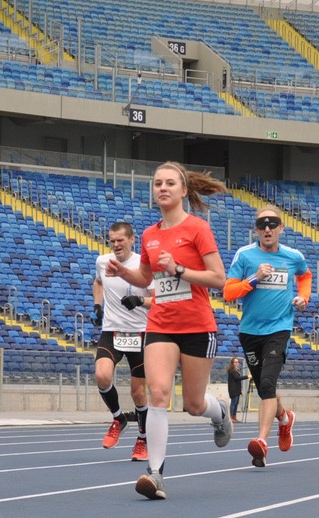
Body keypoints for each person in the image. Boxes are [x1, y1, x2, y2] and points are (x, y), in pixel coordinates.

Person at [105, 161, 231, 500]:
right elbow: (146, 278)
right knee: (158, 393)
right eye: (158, 183)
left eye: (170, 183)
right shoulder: (149, 234)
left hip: (197, 326)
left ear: (183, 190)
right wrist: (124, 273)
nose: (162, 188)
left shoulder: (197, 229)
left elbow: (219, 278)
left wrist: (179, 269)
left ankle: (219, 412)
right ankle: (155, 474)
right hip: (161, 325)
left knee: (193, 404)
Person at [224, 205, 311, 468]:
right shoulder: (245, 255)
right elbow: (228, 293)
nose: (267, 229)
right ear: (256, 230)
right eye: (262, 225)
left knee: (268, 383)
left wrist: (303, 297)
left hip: (279, 329)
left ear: (281, 228)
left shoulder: (293, 256)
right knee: (265, 388)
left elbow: (305, 275)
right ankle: (284, 418)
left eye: (272, 224)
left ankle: (261, 442)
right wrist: (254, 278)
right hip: (250, 332)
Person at [93, 222, 151, 461]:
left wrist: (139, 301)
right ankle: (119, 418)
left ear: (132, 240)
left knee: (138, 393)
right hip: (112, 330)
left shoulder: (143, 265)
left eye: (120, 240)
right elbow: (98, 282)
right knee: (102, 375)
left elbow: (158, 299)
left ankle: (143, 439)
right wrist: (97, 305)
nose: (116, 245)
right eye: (112, 241)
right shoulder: (102, 262)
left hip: (140, 333)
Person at [226, 357, 247, 423]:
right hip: (233, 389)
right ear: (232, 363)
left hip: (237, 389)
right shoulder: (232, 370)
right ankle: (230, 417)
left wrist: (240, 390)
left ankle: (234, 417)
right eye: (235, 362)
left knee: (236, 404)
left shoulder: (236, 370)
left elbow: (237, 382)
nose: (237, 363)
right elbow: (237, 378)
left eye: (237, 362)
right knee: (233, 403)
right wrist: (247, 376)